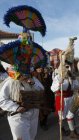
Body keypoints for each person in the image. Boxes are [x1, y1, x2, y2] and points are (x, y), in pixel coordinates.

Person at [0, 5, 48, 140]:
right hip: (18, 117)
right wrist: (15, 108)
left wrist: (33, 82)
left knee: (32, 137)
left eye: (29, 58)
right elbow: (2, 99)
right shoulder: (11, 80)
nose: (26, 60)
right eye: (23, 57)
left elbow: (41, 89)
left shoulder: (33, 78)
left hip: (34, 114)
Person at [51, 37, 79, 139]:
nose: (69, 67)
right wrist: (59, 84)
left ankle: (73, 132)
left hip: (70, 98)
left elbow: (76, 87)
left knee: (70, 115)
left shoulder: (71, 76)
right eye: (67, 65)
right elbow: (53, 88)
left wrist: (75, 81)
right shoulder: (58, 76)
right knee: (62, 116)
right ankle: (62, 129)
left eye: (69, 65)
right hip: (61, 99)